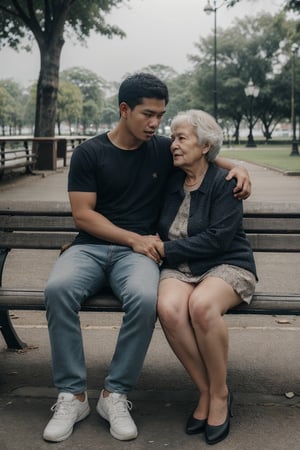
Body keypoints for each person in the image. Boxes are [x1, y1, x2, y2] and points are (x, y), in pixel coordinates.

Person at [43, 73, 252, 443]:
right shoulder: (90, 152)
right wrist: (135, 239)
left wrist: (237, 167)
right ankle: (72, 396)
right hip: (92, 246)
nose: (156, 124)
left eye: (161, 115)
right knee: (58, 289)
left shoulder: (159, 149)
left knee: (144, 299)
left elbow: (203, 153)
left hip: (137, 254)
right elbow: (83, 214)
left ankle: (115, 394)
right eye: (148, 114)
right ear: (124, 110)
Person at [155, 109, 257, 445]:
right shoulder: (171, 177)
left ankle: (220, 395)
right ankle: (206, 390)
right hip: (182, 267)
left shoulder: (224, 182)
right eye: (172, 137)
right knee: (168, 309)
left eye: (181, 137)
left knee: (201, 306)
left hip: (225, 263)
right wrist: (236, 162)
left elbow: (218, 239)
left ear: (205, 145)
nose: (173, 144)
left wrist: (166, 250)